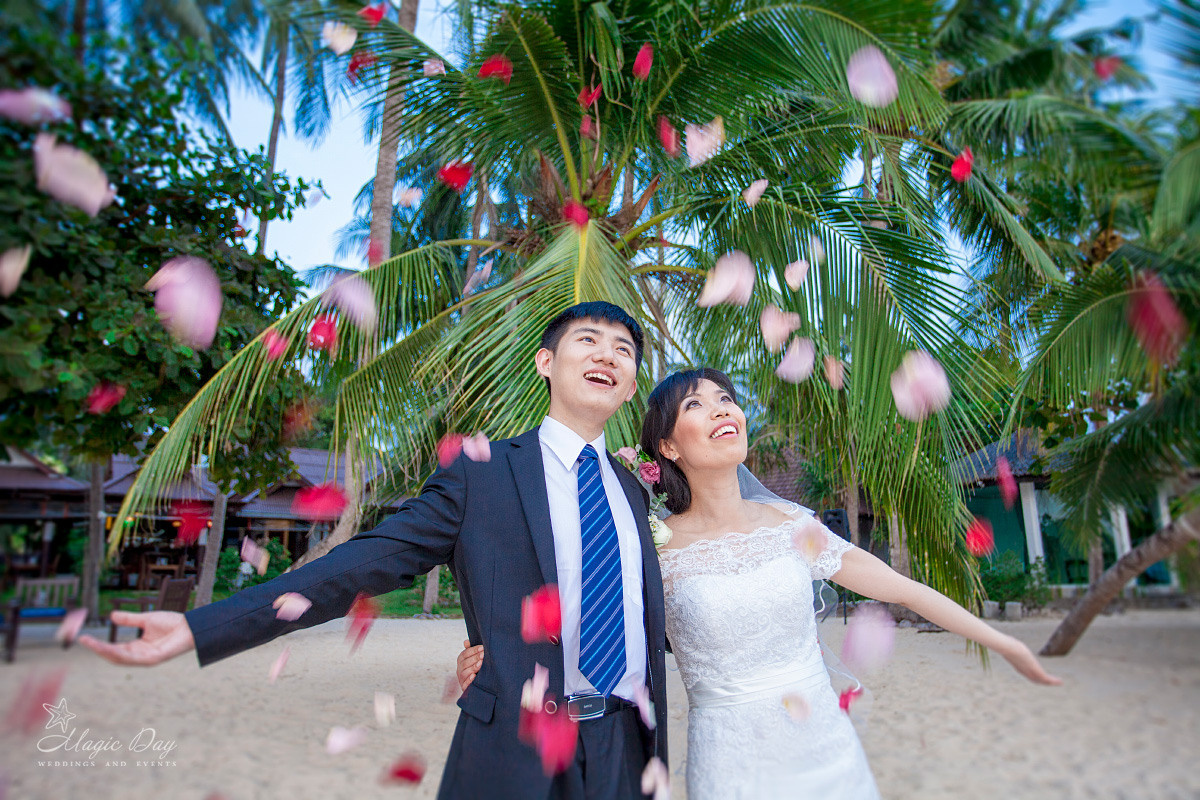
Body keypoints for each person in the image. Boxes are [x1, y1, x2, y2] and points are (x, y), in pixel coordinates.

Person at [79, 301, 669, 800]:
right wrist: (201, 627)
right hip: (513, 750)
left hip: (625, 747)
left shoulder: (634, 488)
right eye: (587, 341)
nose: (606, 356)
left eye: (623, 349)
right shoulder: (483, 474)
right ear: (545, 362)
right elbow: (363, 562)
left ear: (633, 380)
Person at [456, 366, 1061, 799]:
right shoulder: (651, 548)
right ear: (667, 444)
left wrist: (1003, 642)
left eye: (726, 398)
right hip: (732, 758)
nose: (722, 409)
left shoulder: (793, 526)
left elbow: (899, 587)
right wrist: (484, 655)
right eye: (696, 404)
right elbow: (570, 615)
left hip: (826, 748)